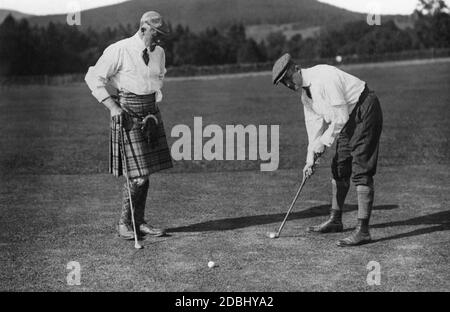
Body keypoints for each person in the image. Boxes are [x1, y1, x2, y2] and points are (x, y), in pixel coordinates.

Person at [272, 53, 383, 247]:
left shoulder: (323, 78)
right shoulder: (306, 96)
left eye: (288, 78)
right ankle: (335, 220)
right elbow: (314, 131)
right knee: (339, 167)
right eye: (284, 83)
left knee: (360, 169)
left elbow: (339, 118)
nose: (289, 84)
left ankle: (363, 231)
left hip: (364, 110)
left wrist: (322, 144)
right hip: (347, 119)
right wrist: (310, 160)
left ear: (296, 69)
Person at [85, 11, 173, 240]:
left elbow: (158, 80)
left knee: (145, 173)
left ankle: (139, 221)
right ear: (143, 28)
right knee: (138, 176)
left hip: (151, 112)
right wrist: (114, 108)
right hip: (128, 114)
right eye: (156, 33)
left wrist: (152, 108)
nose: (160, 39)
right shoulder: (120, 49)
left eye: (162, 34)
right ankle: (125, 224)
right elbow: (93, 77)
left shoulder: (160, 53)